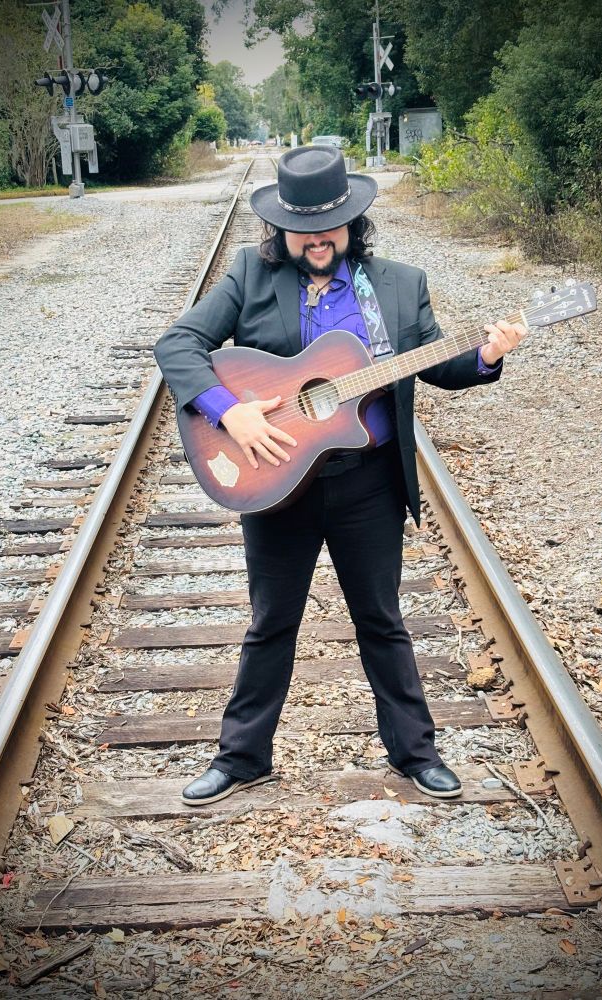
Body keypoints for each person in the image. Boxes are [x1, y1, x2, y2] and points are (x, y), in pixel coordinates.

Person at [154, 146, 527, 806]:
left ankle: (415, 753)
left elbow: (437, 366)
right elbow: (177, 345)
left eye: (330, 225)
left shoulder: (398, 287)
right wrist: (230, 412)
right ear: (281, 228)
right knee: (271, 623)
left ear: (354, 222)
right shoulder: (249, 274)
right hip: (276, 479)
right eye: (302, 227)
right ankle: (241, 757)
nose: (316, 239)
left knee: (381, 619)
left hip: (368, 485)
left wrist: (487, 357)